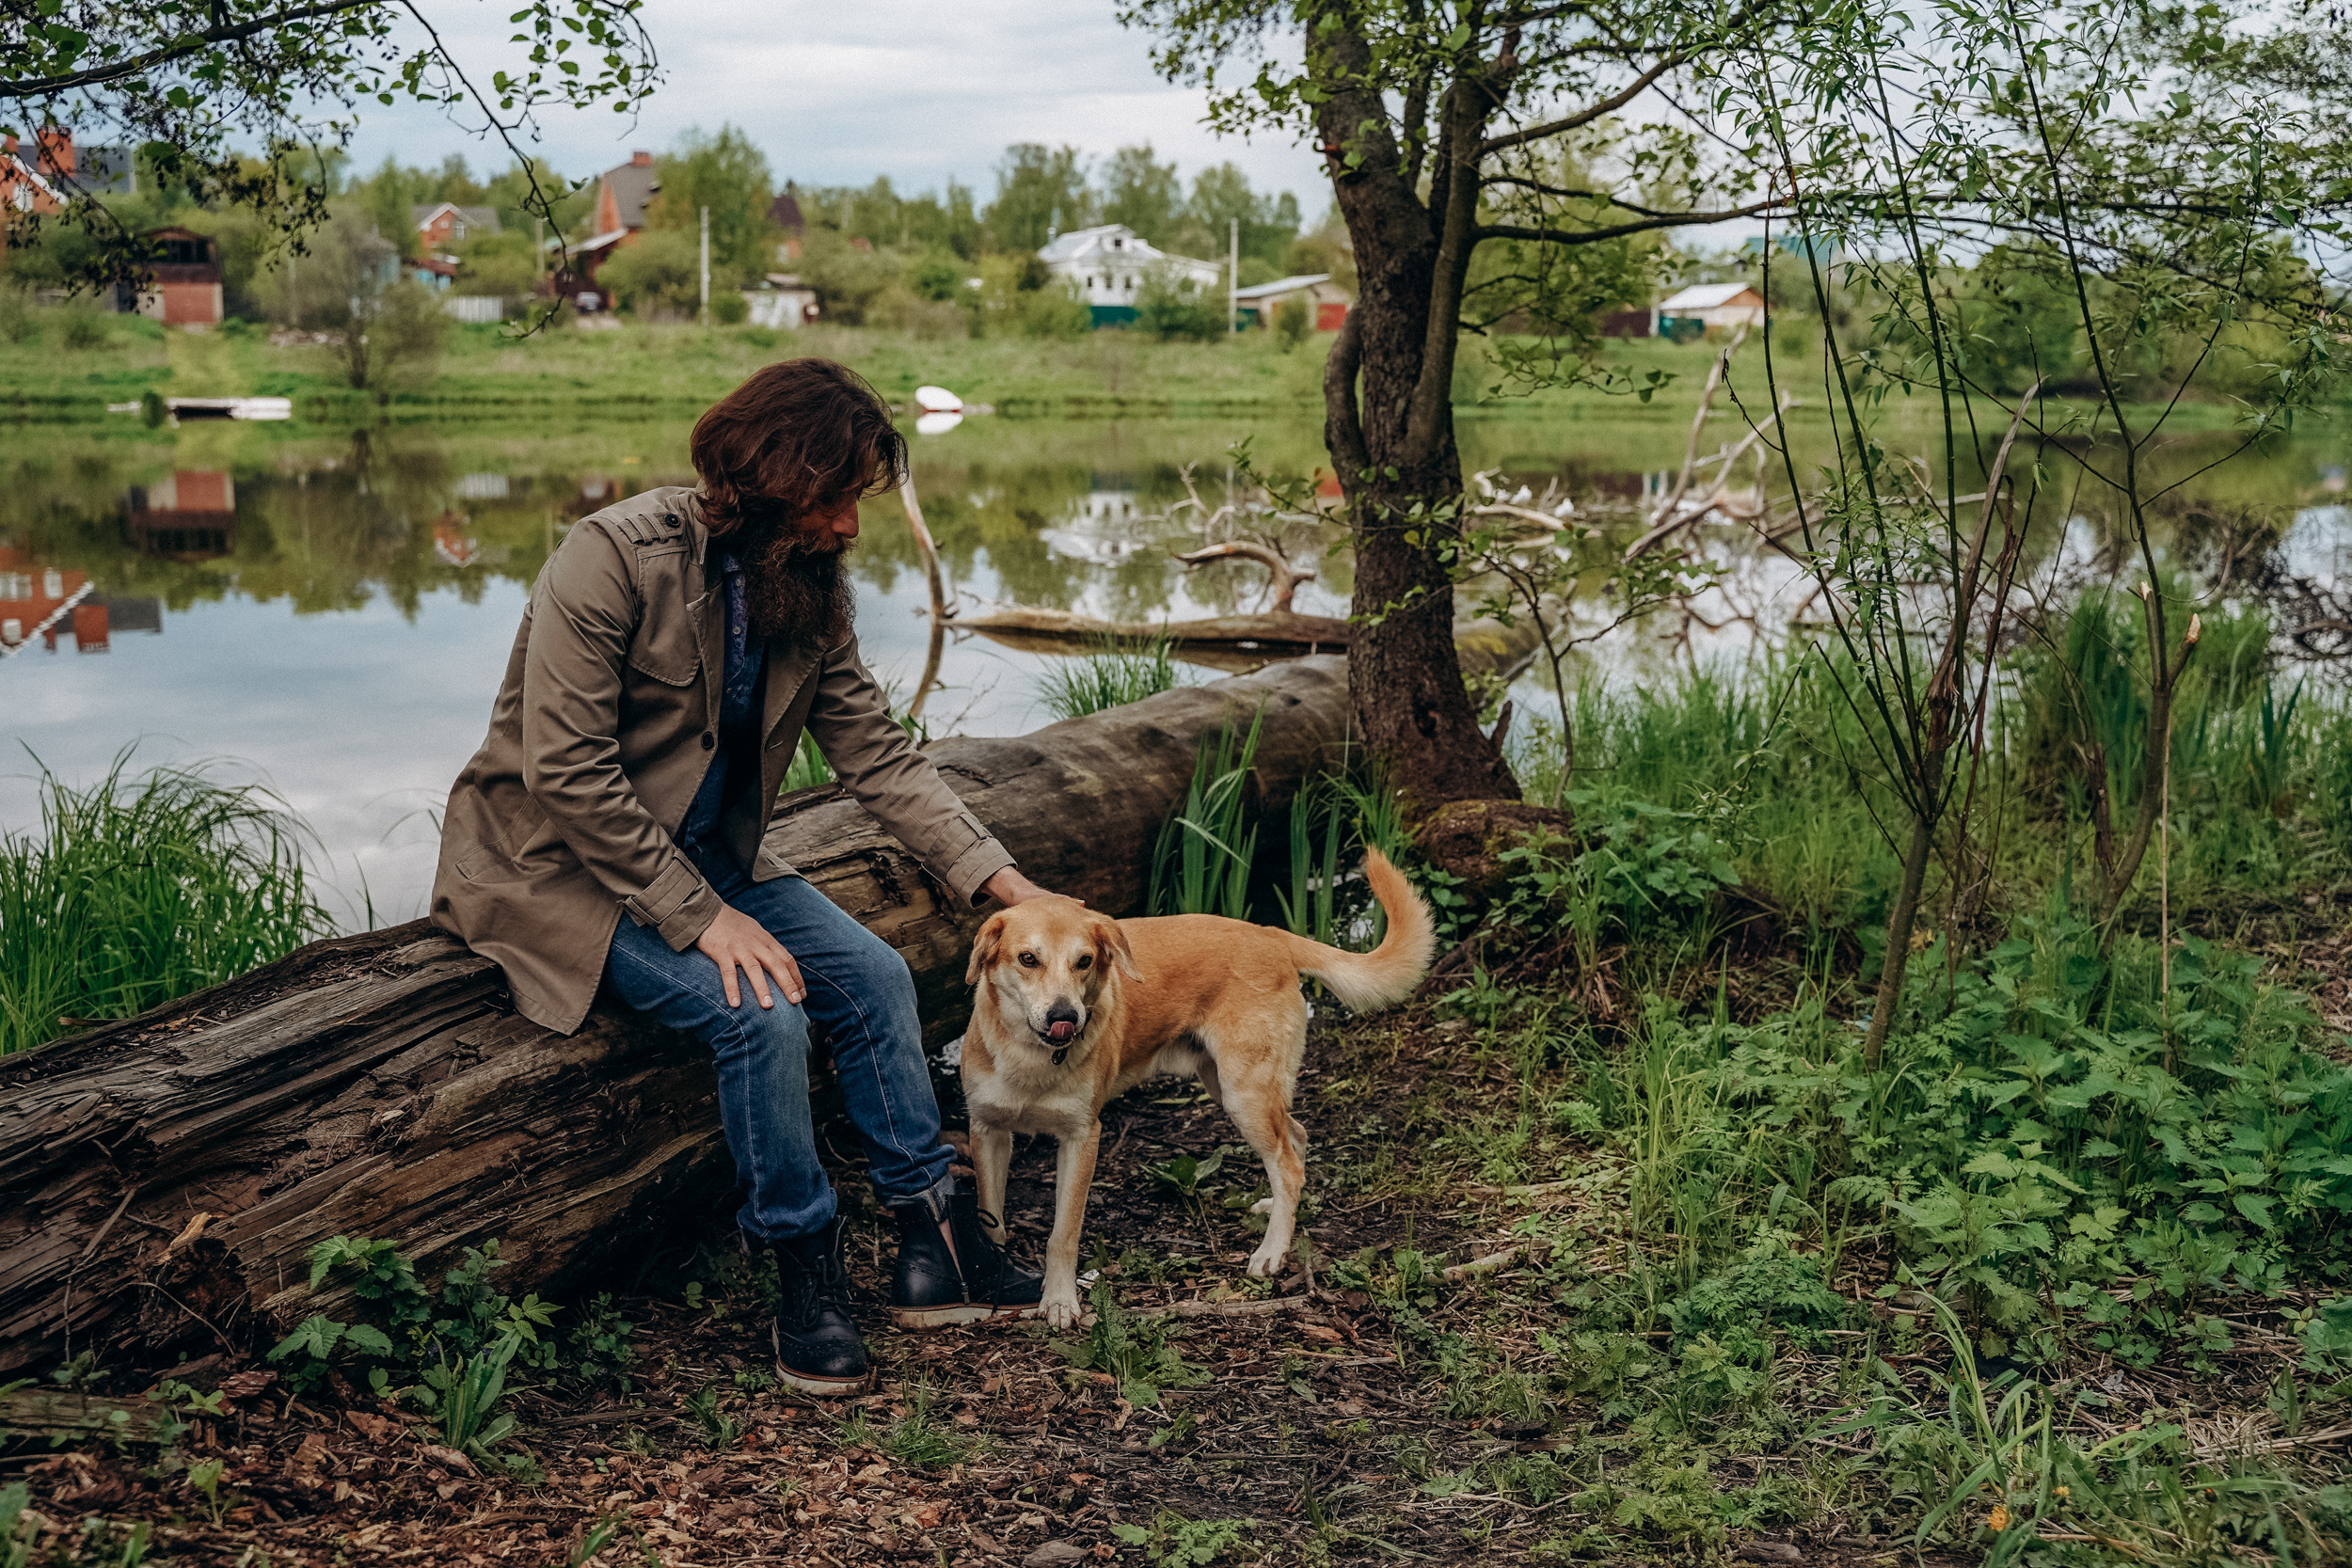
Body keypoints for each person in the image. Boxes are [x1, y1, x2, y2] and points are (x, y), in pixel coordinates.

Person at [430, 359, 1050, 1392]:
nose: (852, 525)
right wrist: (701, 916)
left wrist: (1004, 883)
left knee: (878, 977)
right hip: (555, 869)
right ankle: (802, 1273)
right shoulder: (610, 558)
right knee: (759, 1008)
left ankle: (931, 1241)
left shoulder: (805, 585)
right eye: (836, 495)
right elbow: (567, 773)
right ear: (769, 478)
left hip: (705, 858)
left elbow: (879, 756)